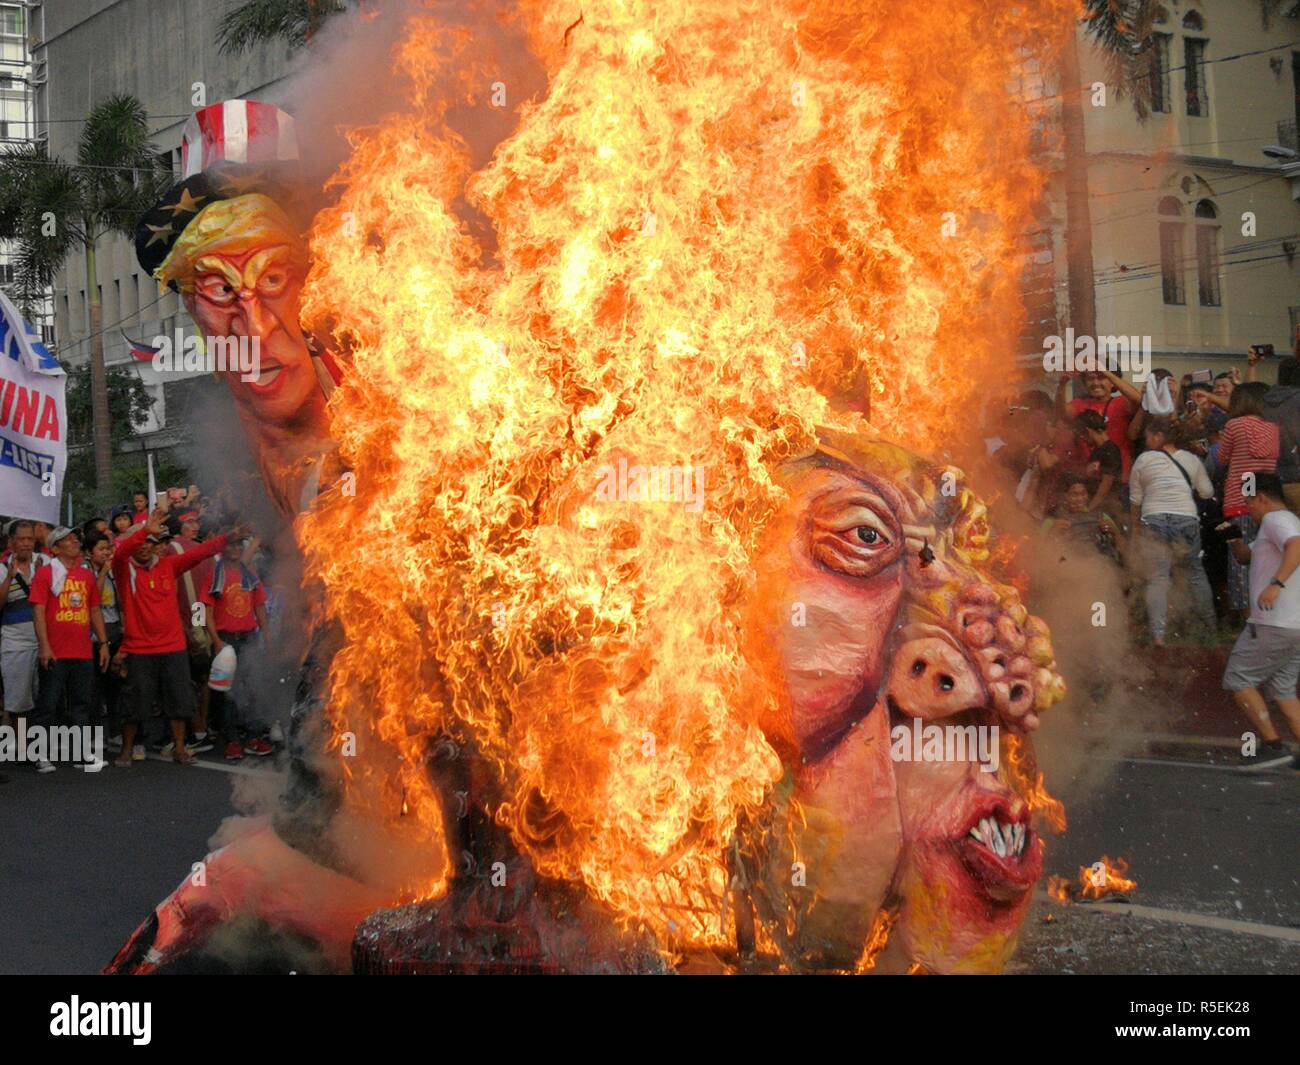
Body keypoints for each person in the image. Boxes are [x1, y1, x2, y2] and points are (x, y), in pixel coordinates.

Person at [111, 502, 248, 767]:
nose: (144, 546)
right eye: (140, 542)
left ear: (154, 547)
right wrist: (142, 531)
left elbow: (201, 552)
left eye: (149, 542)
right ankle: (127, 751)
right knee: (135, 703)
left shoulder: (168, 566)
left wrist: (228, 537)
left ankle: (181, 749)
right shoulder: (124, 569)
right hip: (139, 648)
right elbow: (121, 553)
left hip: (173, 646)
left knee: (180, 699)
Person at [1221, 472, 1300, 769]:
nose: (1247, 510)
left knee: (1238, 678)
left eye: (1249, 503)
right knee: (1283, 690)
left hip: (1272, 623)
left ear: (1262, 497)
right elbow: (1247, 557)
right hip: (1292, 626)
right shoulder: (1279, 524)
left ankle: (1272, 745)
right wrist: (1233, 539)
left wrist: (1275, 585)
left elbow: (1297, 547)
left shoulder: (1277, 520)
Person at [1128, 418, 1216, 646]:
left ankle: (1159, 635)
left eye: (1148, 436)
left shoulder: (1144, 459)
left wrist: (1135, 531)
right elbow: (1207, 492)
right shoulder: (1191, 459)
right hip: (1186, 519)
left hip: (1154, 519)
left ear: (1158, 437)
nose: (1146, 441)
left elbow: (1135, 500)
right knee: (1196, 573)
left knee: (1158, 578)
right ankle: (1211, 627)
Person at [29, 527, 110, 771]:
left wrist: (104, 643)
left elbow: (94, 609)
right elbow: (38, 611)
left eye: (76, 538)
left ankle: (80, 753)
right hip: (55, 651)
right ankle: (39, 754)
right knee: (48, 704)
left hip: (82, 650)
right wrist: (44, 646)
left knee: (81, 704)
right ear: (55, 548)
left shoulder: (85, 576)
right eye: (67, 540)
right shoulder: (45, 574)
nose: (75, 542)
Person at [202, 535, 271, 760]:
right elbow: (206, 612)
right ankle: (232, 741)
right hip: (226, 640)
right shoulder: (215, 575)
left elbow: (259, 607)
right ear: (223, 548)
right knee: (229, 694)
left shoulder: (249, 574)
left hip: (249, 638)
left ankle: (253, 738)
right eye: (230, 544)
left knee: (252, 689)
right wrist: (217, 641)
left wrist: (267, 636)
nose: (235, 548)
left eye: (238, 545)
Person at [1217, 382, 1280, 620]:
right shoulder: (1274, 427)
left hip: (1239, 503)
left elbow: (1222, 457)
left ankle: (1247, 615)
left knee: (1239, 562)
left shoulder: (1235, 425)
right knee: (1266, 558)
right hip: (1267, 504)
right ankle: (1268, 611)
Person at [0, 520, 46, 766]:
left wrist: (42, 576)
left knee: (42, 696)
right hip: (14, 641)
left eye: (30, 539)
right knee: (18, 699)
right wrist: (9, 578)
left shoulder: (45, 563)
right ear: (12, 542)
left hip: (44, 640)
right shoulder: (1, 568)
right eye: (22, 539)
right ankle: (25, 749)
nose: (27, 543)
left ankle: (39, 745)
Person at [1055, 370, 1137, 482]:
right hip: (1090, 480)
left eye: (1101, 378)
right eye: (1090, 378)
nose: (1095, 383)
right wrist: (1062, 385)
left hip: (1120, 478)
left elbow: (1139, 400)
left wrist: (1107, 372)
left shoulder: (1122, 403)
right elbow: (1061, 413)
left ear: (1112, 382)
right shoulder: (1079, 404)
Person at [84, 531, 125, 753]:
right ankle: (92, 735)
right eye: (101, 549)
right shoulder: (85, 572)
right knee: (94, 689)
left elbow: (119, 600)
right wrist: (103, 573)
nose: (106, 553)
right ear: (89, 553)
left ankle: (116, 731)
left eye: (108, 548)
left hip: (114, 630)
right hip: (93, 635)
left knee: (114, 686)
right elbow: (93, 600)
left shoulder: (112, 573)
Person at [1073, 410, 1122, 514]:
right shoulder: (1097, 450)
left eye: (1081, 434)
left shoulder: (1110, 450)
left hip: (1107, 509)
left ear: (1087, 431)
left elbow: (1105, 486)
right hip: (1098, 508)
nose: (1082, 439)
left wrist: (1088, 509)